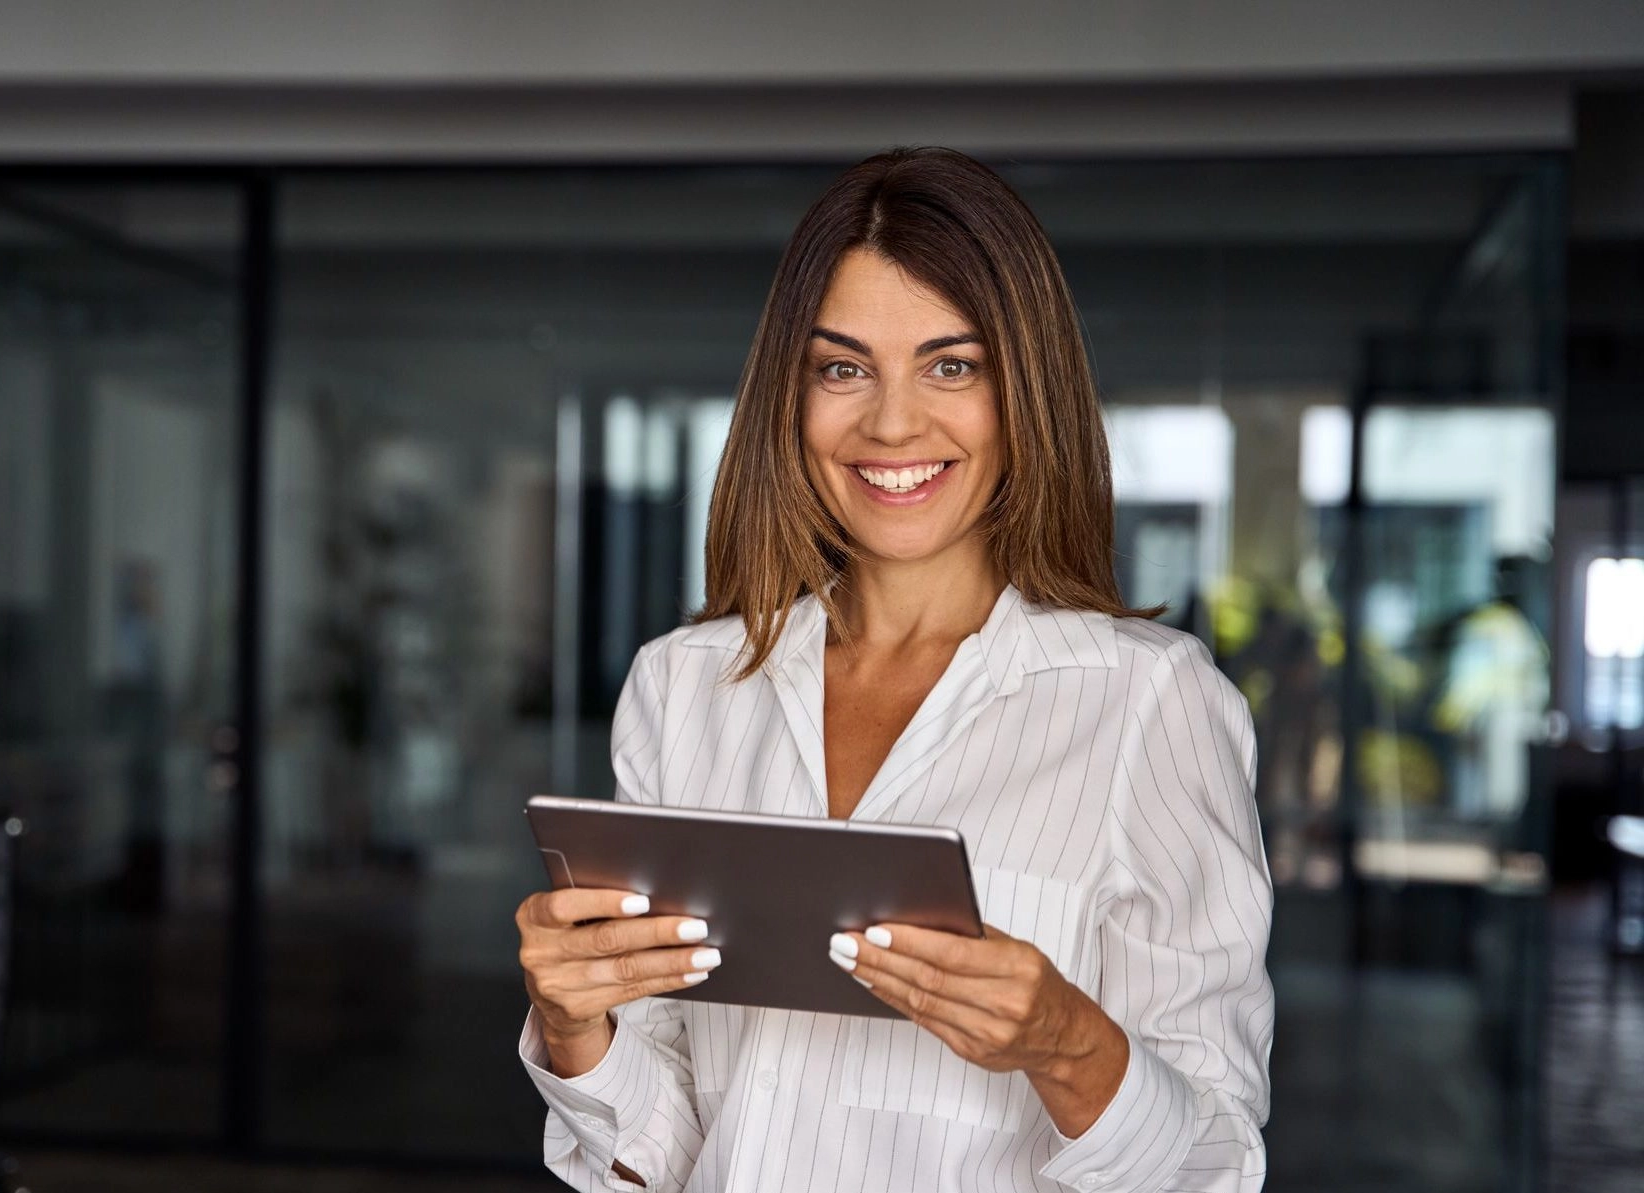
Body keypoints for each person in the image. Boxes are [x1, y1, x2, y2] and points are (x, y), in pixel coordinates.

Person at [512, 147, 1273, 1192]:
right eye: (843, 367)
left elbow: (1218, 1162)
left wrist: (1066, 1041)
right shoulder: (682, 686)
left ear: (1025, 393)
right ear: (793, 393)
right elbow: (668, 1151)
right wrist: (575, 1025)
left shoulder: (1153, 700)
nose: (893, 422)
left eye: (951, 364)